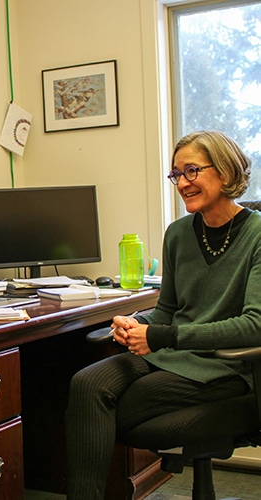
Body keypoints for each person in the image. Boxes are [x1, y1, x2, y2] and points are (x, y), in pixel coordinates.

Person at [65, 130, 261, 499]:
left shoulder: (258, 235)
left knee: (109, 414)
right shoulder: (178, 234)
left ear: (224, 171)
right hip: (173, 355)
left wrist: (161, 336)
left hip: (224, 366)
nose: (182, 183)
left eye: (191, 171)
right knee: (86, 385)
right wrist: (138, 323)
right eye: (176, 175)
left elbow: (255, 326)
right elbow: (168, 310)